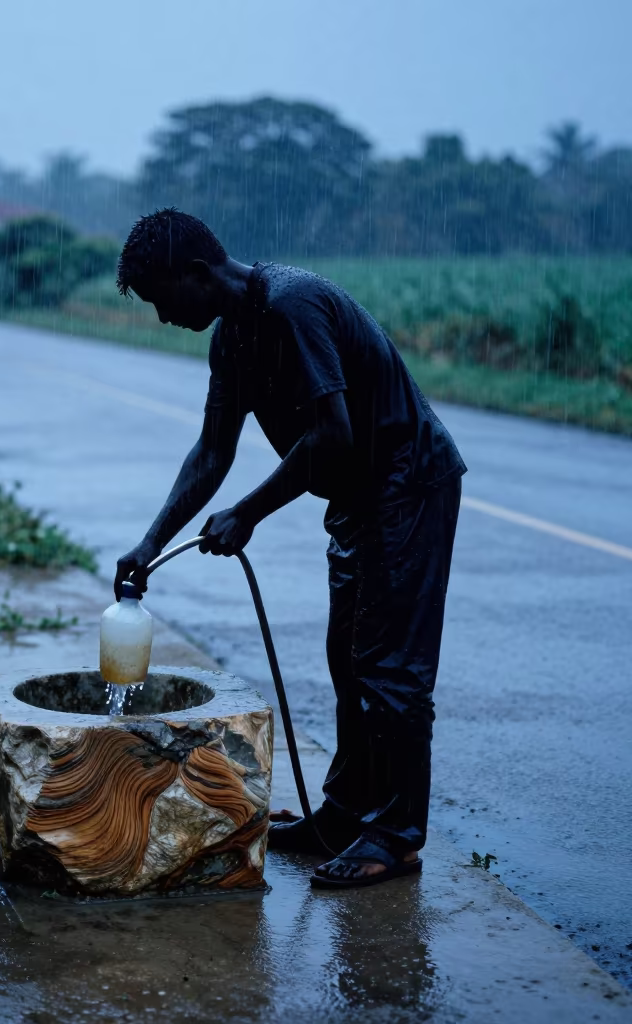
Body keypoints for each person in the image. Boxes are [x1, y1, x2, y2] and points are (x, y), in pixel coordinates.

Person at [113, 208, 466, 889]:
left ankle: (395, 838)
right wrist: (151, 540)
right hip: (359, 501)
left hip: (407, 485)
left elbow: (333, 434)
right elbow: (214, 449)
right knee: (348, 662)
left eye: (163, 299)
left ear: (196, 273)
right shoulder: (233, 338)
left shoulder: (291, 307)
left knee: (390, 672)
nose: (162, 318)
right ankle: (345, 815)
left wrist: (246, 514)